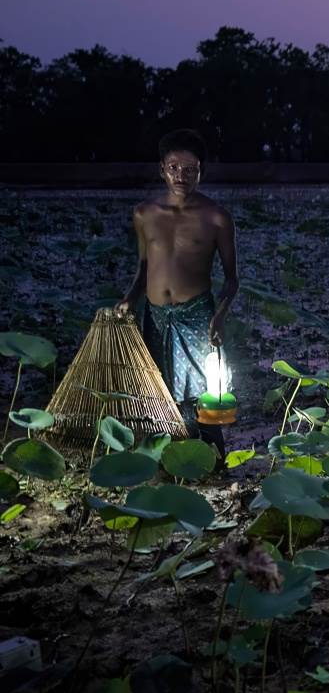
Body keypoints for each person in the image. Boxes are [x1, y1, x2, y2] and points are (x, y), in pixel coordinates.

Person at [117, 129, 238, 460]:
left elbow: (232, 280)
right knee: (158, 393)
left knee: (203, 396)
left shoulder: (216, 217)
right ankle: (169, 461)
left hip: (197, 315)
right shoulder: (144, 214)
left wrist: (220, 316)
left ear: (201, 172)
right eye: (173, 168)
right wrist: (130, 298)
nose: (181, 176)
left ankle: (212, 461)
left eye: (189, 169)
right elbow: (144, 267)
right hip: (155, 315)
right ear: (162, 170)